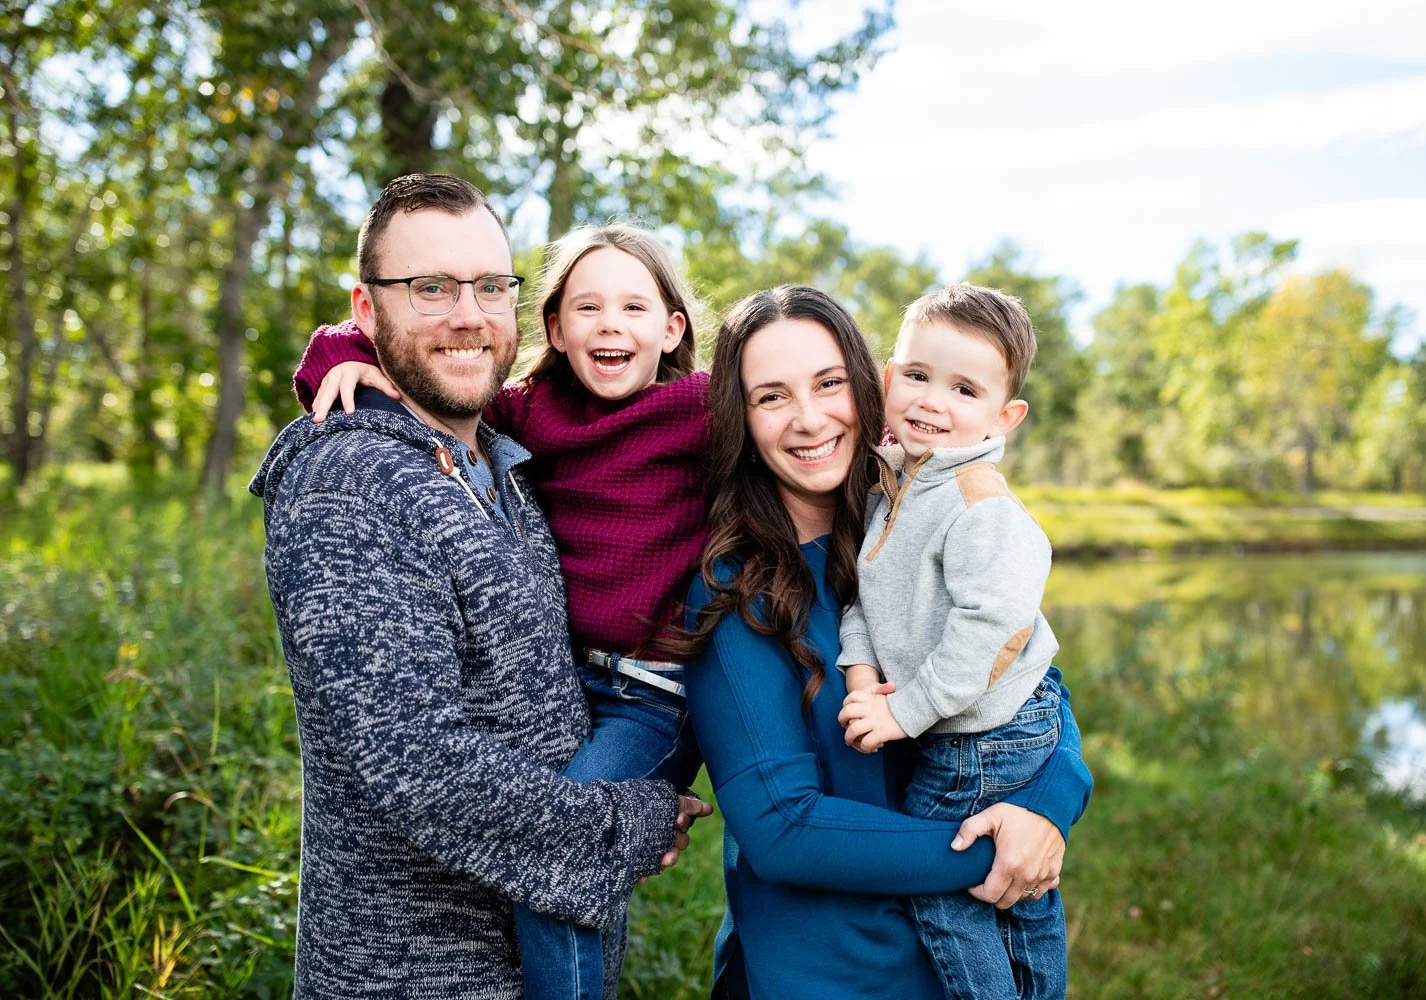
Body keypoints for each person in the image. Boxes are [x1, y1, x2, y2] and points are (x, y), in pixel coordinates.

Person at [249, 175, 707, 999]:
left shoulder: (502, 462)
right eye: (430, 288)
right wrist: (630, 822)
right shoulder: (351, 481)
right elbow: (420, 766)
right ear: (366, 305)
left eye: (489, 285)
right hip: (418, 978)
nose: (467, 314)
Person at [672, 285, 1093, 1000]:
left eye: (829, 383)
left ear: (869, 386)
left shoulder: (918, 519)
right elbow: (782, 827)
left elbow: (1026, 679)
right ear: (741, 418)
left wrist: (1051, 806)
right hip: (831, 973)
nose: (809, 419)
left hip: (961, 954)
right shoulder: (733, 585)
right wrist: (996, 849)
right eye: (772, 397)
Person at [836, 283, 1070, 1000]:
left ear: (1005, 416)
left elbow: (991, 635)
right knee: (1013, 894)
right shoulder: (898, 484)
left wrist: (906, 713)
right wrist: (860, 668)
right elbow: (869, 595)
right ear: (887, 378)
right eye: (917, 375)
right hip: (974, 721)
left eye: (963, 388)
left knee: (938, 878)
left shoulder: (980, 505)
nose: (932, 401)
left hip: (984, 731)